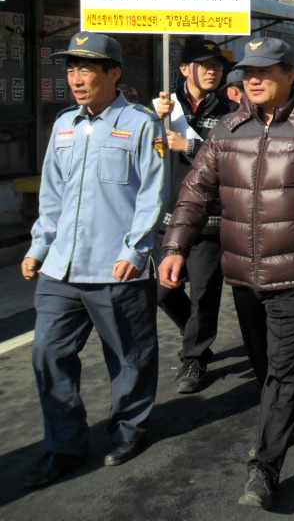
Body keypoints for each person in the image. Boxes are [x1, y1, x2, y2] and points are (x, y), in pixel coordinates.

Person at [159, 37, 294, 510]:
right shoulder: (227, 131)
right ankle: (288, 415)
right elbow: (194, 195)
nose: (253, 79)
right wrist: (176, 245)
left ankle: (266, 467)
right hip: (241, 275)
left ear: (289, 76)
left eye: (265, 71)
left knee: (283, 369)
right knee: (264, 366)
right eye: (248, 72)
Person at [21, 33, 166, 488]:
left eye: (87, 69)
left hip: (114, 267)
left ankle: (128, 430)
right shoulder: (64, 125)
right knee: (49, 352)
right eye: (71, 69)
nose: (77, 79)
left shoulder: (141, 124)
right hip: (60, 267)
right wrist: (39, 247)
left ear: (114, 74)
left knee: (129, 356)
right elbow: (52, 196)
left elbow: (153, 194)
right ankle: (64, 444)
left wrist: (136, 250)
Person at [153, 38, 234, 395]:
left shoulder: (231, 110)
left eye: (217, 66)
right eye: (205, 65)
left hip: (210, 217)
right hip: (168, 216)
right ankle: (197, 332)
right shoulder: (162, 107)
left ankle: (195, 357)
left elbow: (232, 159)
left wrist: (189, 145)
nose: (213, 71)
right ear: (185, 69)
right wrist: (154, 123)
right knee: (161, 291)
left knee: (204, 293)